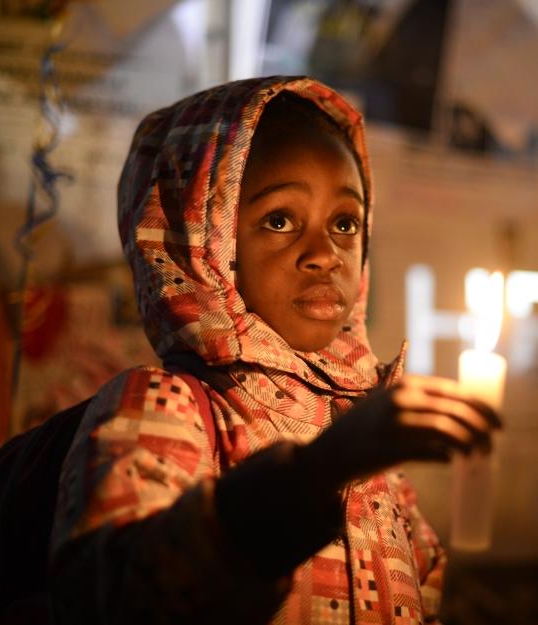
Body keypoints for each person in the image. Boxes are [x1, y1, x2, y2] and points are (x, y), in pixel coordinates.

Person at [49, 76, 500, 625]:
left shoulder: (377, 463)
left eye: (345, 223)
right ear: (206, 245)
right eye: (280, 220)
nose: (326, 254)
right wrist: (319, 468)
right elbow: (116, 593)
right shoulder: (167, 406)